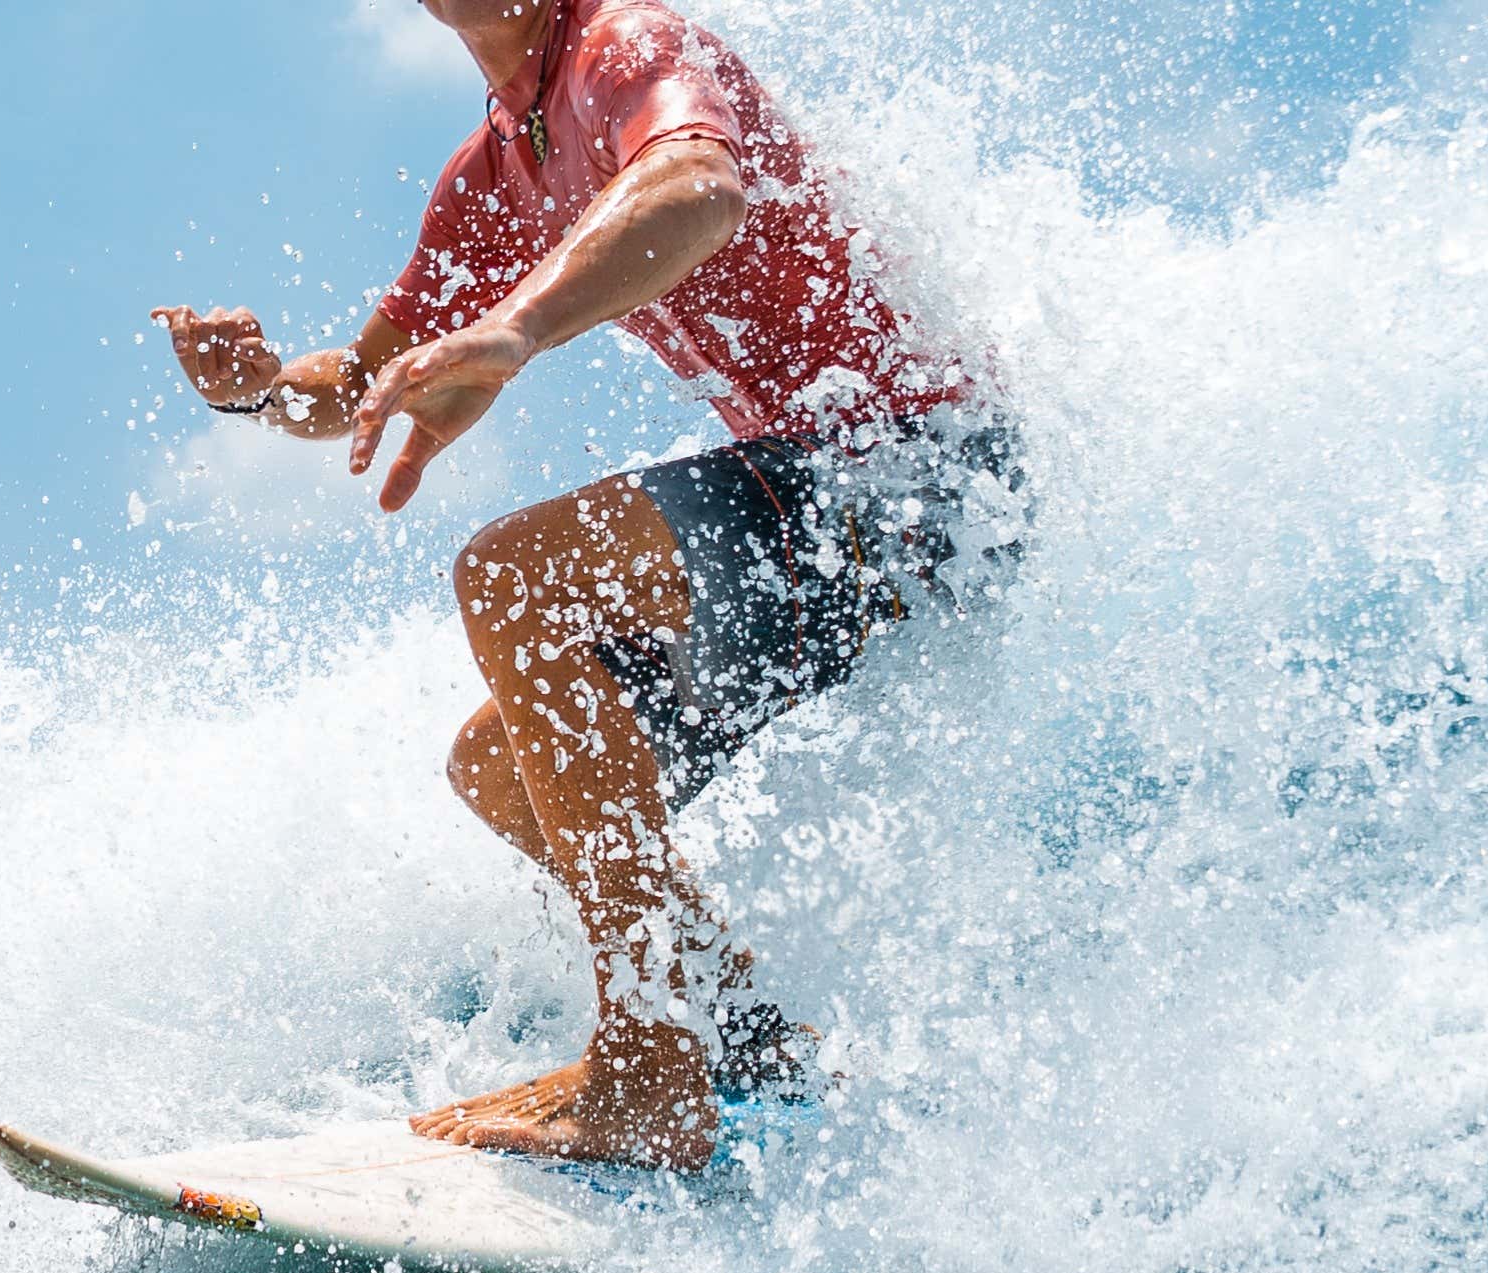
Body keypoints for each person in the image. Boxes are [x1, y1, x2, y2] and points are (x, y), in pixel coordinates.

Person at [155, 0, 1010, 1169]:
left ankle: (650, 1067)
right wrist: (256, 390)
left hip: (924, 475)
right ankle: (741, 1034)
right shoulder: (496, 169)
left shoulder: (627, 46)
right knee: (500, 766)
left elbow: (701, 185)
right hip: (828, 513)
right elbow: (358, 379)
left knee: (515, 578)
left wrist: (513, 331)